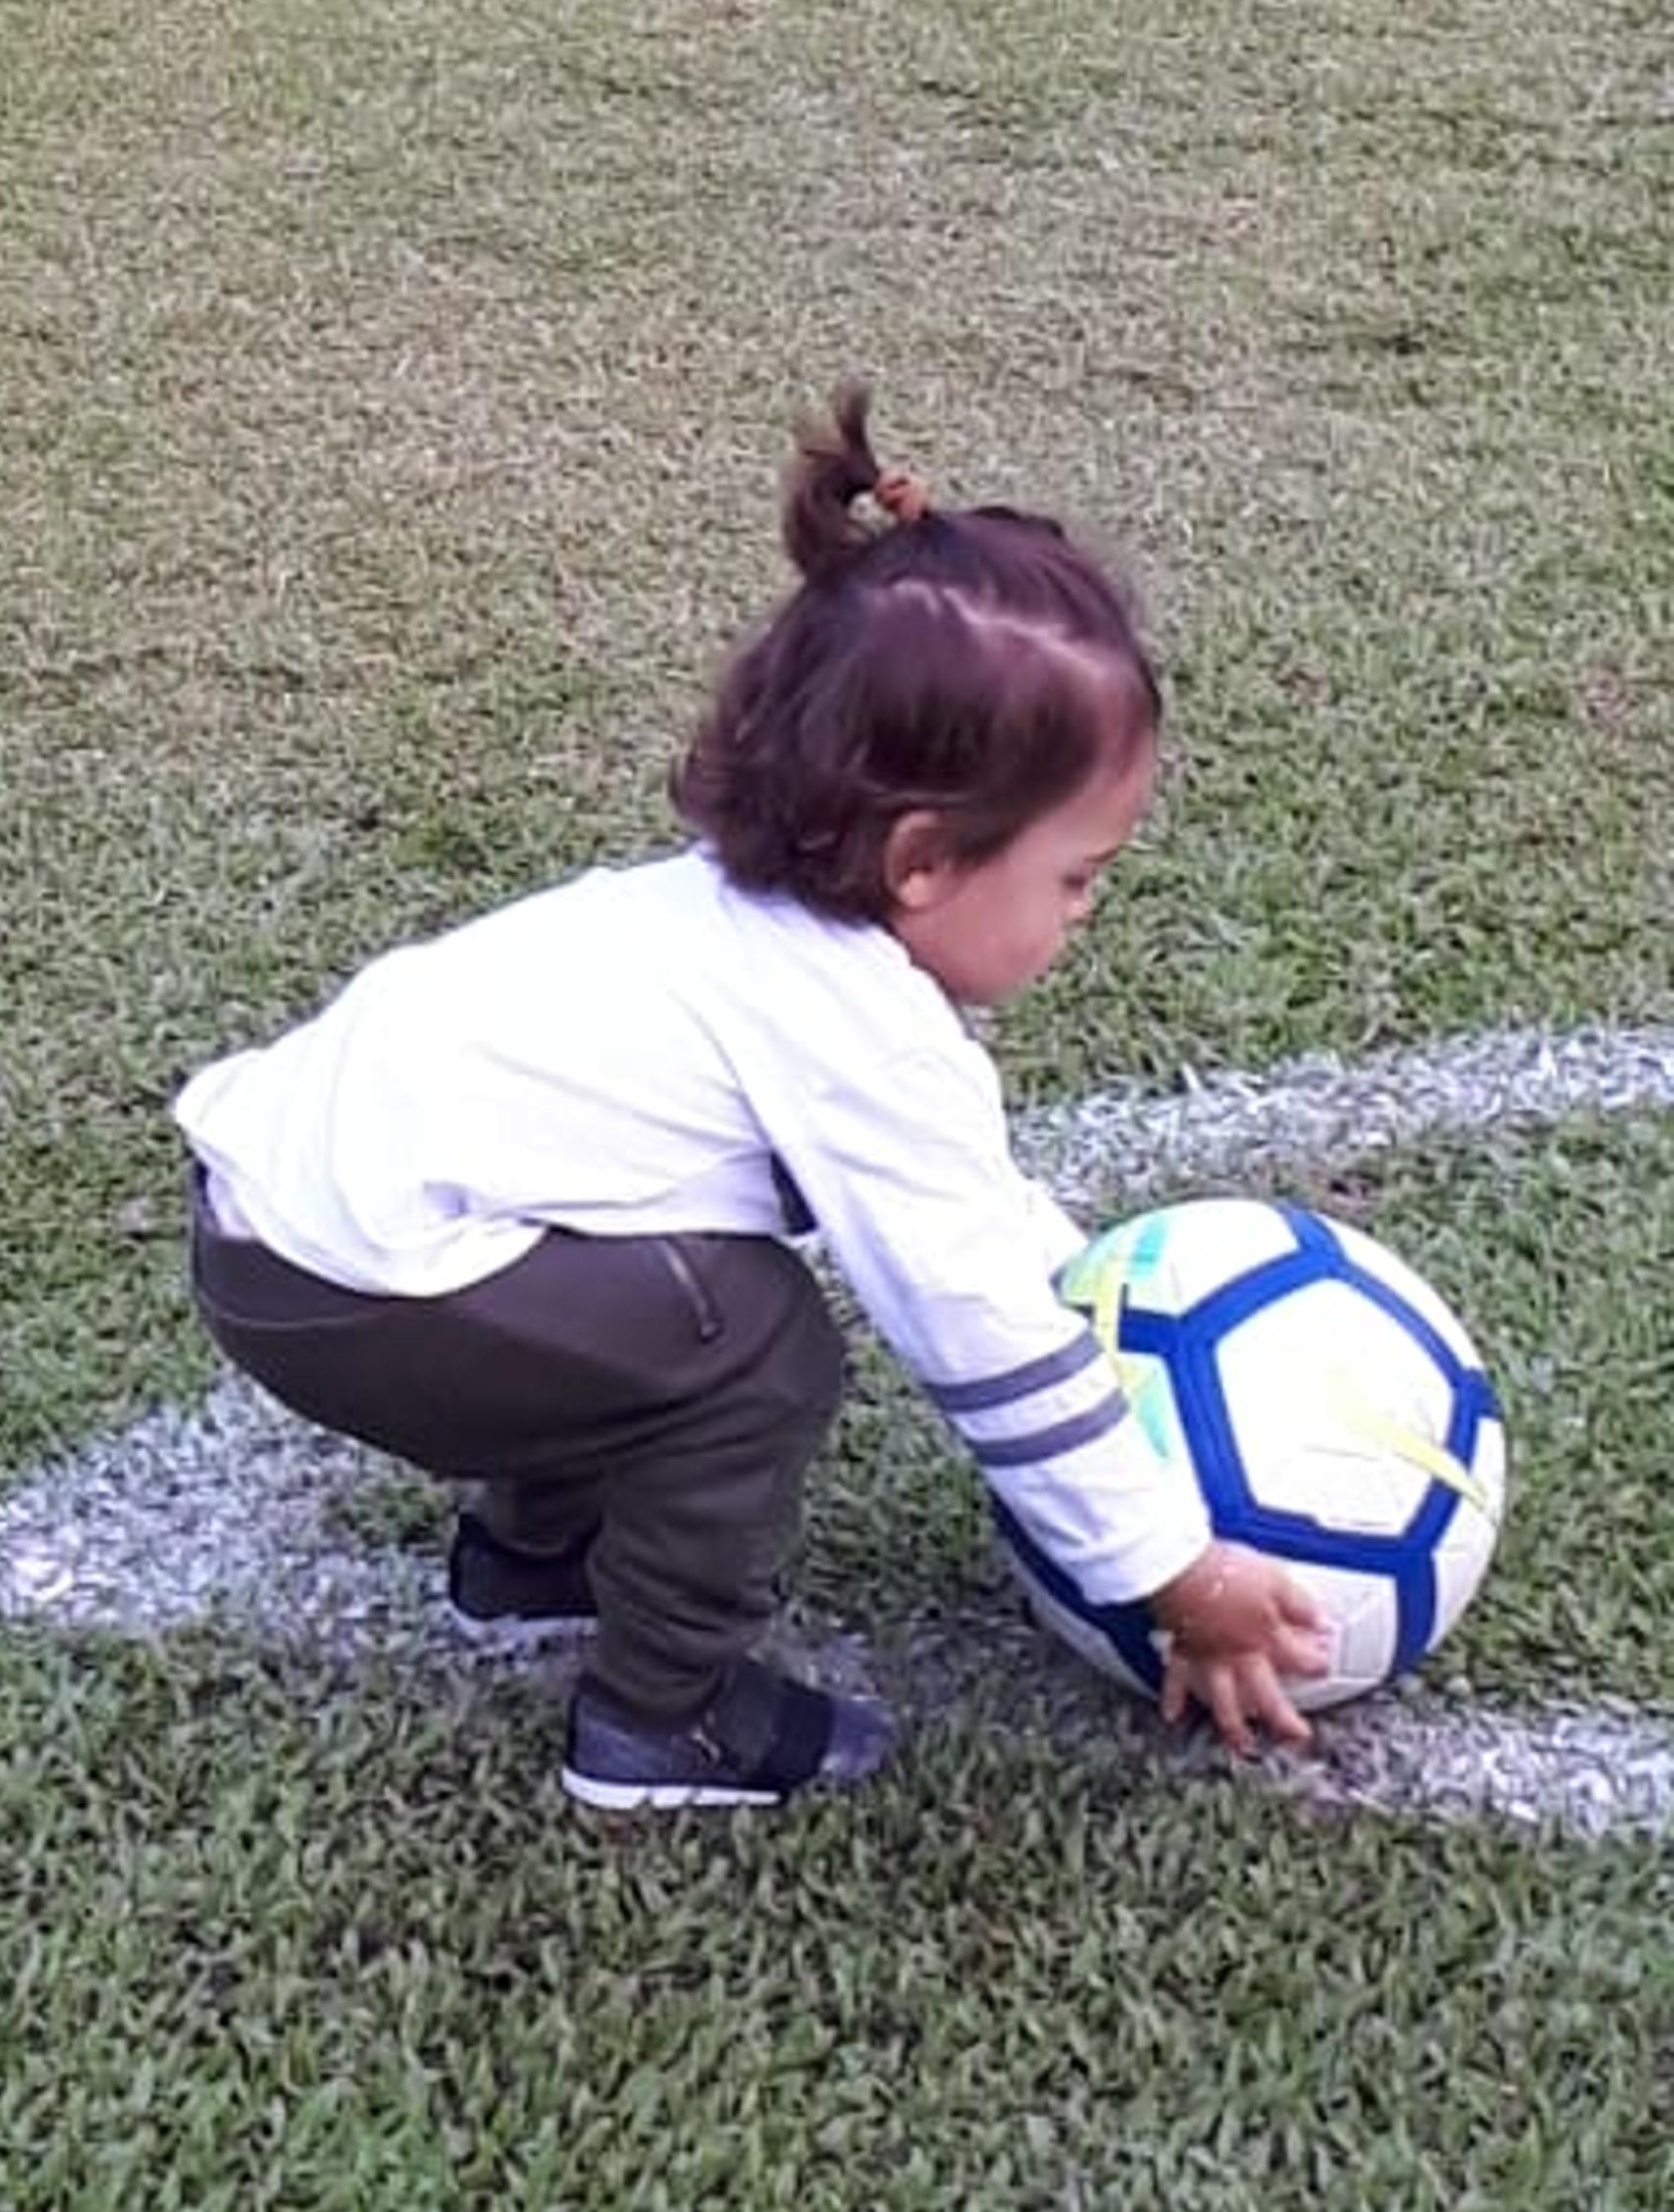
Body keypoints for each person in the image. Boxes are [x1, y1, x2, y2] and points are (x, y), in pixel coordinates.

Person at [175, 394, 1330, 1815]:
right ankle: (666, 1723)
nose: (1087, 911)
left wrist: (1081, 1276)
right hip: (361, 1284)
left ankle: (535, 1560)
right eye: (1077, 875)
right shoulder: (853, 1026)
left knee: (664, 1287)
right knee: (752, 1346)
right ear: (923, 860)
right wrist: (1178, 1570)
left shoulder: (736, 920)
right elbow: (978, 1336)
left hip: (286, 1227)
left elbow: (969, 1217)